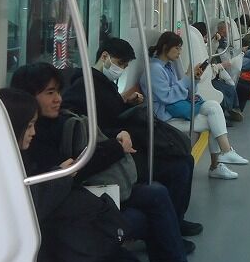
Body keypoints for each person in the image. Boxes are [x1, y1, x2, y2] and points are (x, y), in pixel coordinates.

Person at [11, 63, 223, 262]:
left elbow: (89, 142)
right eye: (50, 93)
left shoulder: (59, 118)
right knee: (146, 214)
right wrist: (113, 149)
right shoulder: (31, 140)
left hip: (88, 192)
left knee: (156, 192)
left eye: (58, 92)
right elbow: (77, 166)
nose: (58, 99)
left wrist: (115, 137)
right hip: (76, 205)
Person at [0, 87, 155, 262]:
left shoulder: (29, 149)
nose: (33, 132)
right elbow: (32, 207)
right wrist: (62, 175)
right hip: (56, 243)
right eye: (28, 126)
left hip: (69, 226)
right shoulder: (2, 168)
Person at [62, 37, 203, 238]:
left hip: (125, 144)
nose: (121, 69)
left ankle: (176, 220)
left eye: (125, 66)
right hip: (114, 154)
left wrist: (126, 103)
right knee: (180, 166)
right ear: (104, 56)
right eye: (120, 63)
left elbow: (110, 112)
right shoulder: (83, 87)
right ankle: (173, 225)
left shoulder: (104, 84)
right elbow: (87, 125)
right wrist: (116, 135)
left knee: (185, 159)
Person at [141, 31, 249, 180]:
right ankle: (217, 164)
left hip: (174, 109)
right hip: (164, 117)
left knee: (214, 106)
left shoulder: (168, 66)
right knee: (214, 123)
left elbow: (183, 91)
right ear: (165, 47)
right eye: (177, 48)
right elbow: (167, 96)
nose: (180, 52)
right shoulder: (155, 70)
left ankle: (226, 152)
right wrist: (186, 78)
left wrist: (194, 79)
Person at [192, 22, 243, 123]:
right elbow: (204, 67)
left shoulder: (204, 46)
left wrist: (215, 41)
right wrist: (219, 67)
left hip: (211, 75)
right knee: (222, 91)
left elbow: (208, 53)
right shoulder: (195, 51)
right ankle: (225, 113)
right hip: (205, 79)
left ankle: (233, 109)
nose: (206, 39)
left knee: (230, 88)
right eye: (204, 36)